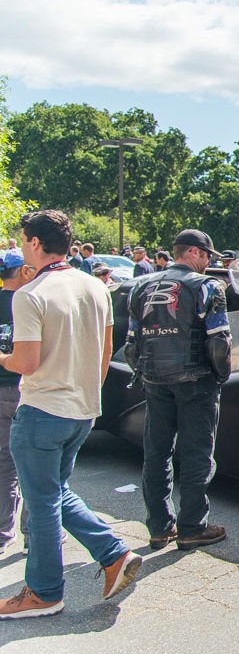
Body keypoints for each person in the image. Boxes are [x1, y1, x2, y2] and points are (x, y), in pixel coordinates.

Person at [0, 210, 141, 619]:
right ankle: (113, 554)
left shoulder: (31, 294)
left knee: (42, 501)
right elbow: (105, 350)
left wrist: (2, 357)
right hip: (82, 408)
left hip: (43, 408)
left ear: (34, 243)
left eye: (23, 238)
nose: (21, 245)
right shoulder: (95, 287)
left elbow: (26, 362)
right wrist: (88, 396)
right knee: (54, 492)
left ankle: (44, 592)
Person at [125, 229, 232, 553]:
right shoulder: (208, 287)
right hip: (197, 382)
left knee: (156, 454)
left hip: (155, 381)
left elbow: (132, 346)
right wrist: (221, 377)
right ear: (196, 253)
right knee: (197, 454)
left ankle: (159, 528)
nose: (208, 264)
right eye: (207, 258)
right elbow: (219, 343)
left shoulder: (140, 287)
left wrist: (144, 373)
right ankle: (192, 528)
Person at [0, 250, 35, 555]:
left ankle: (3, 531)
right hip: (26, 389)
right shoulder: (33, 301)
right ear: (22, 272)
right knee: (34, 466)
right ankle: (31, 533)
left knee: (5, 464)